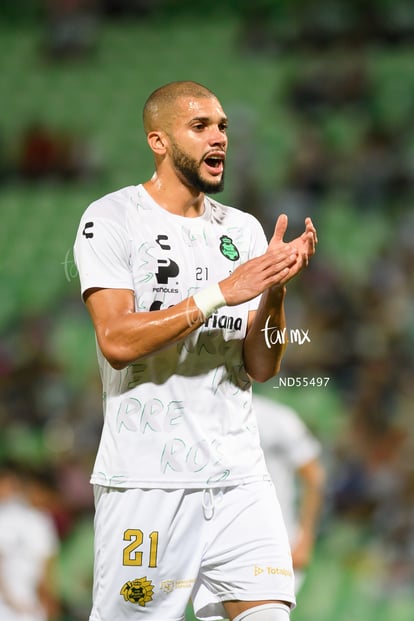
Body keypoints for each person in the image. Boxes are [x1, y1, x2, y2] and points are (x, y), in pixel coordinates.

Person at [73, 80, 317, 621]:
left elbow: (262, 363)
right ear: (158, 141)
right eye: (201, 126)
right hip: (147, 481)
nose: (219, 138)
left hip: (239, 477)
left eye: (223, 126)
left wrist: (275, 288)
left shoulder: (244, 229)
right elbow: (116, 341)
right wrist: (221, 293)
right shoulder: (112, 219)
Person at [253, 394, 325, 593]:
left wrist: (306, 537)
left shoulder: (277, 418)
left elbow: (314, 477)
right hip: (221, 540)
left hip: (277, 544)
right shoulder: (199, 414)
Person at [0, 462, 60, 621]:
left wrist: (46, 599)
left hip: (29, 605)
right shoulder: (7, 515)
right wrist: (9, 597)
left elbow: (46, 569)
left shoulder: (41, 521)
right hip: (8, 604)